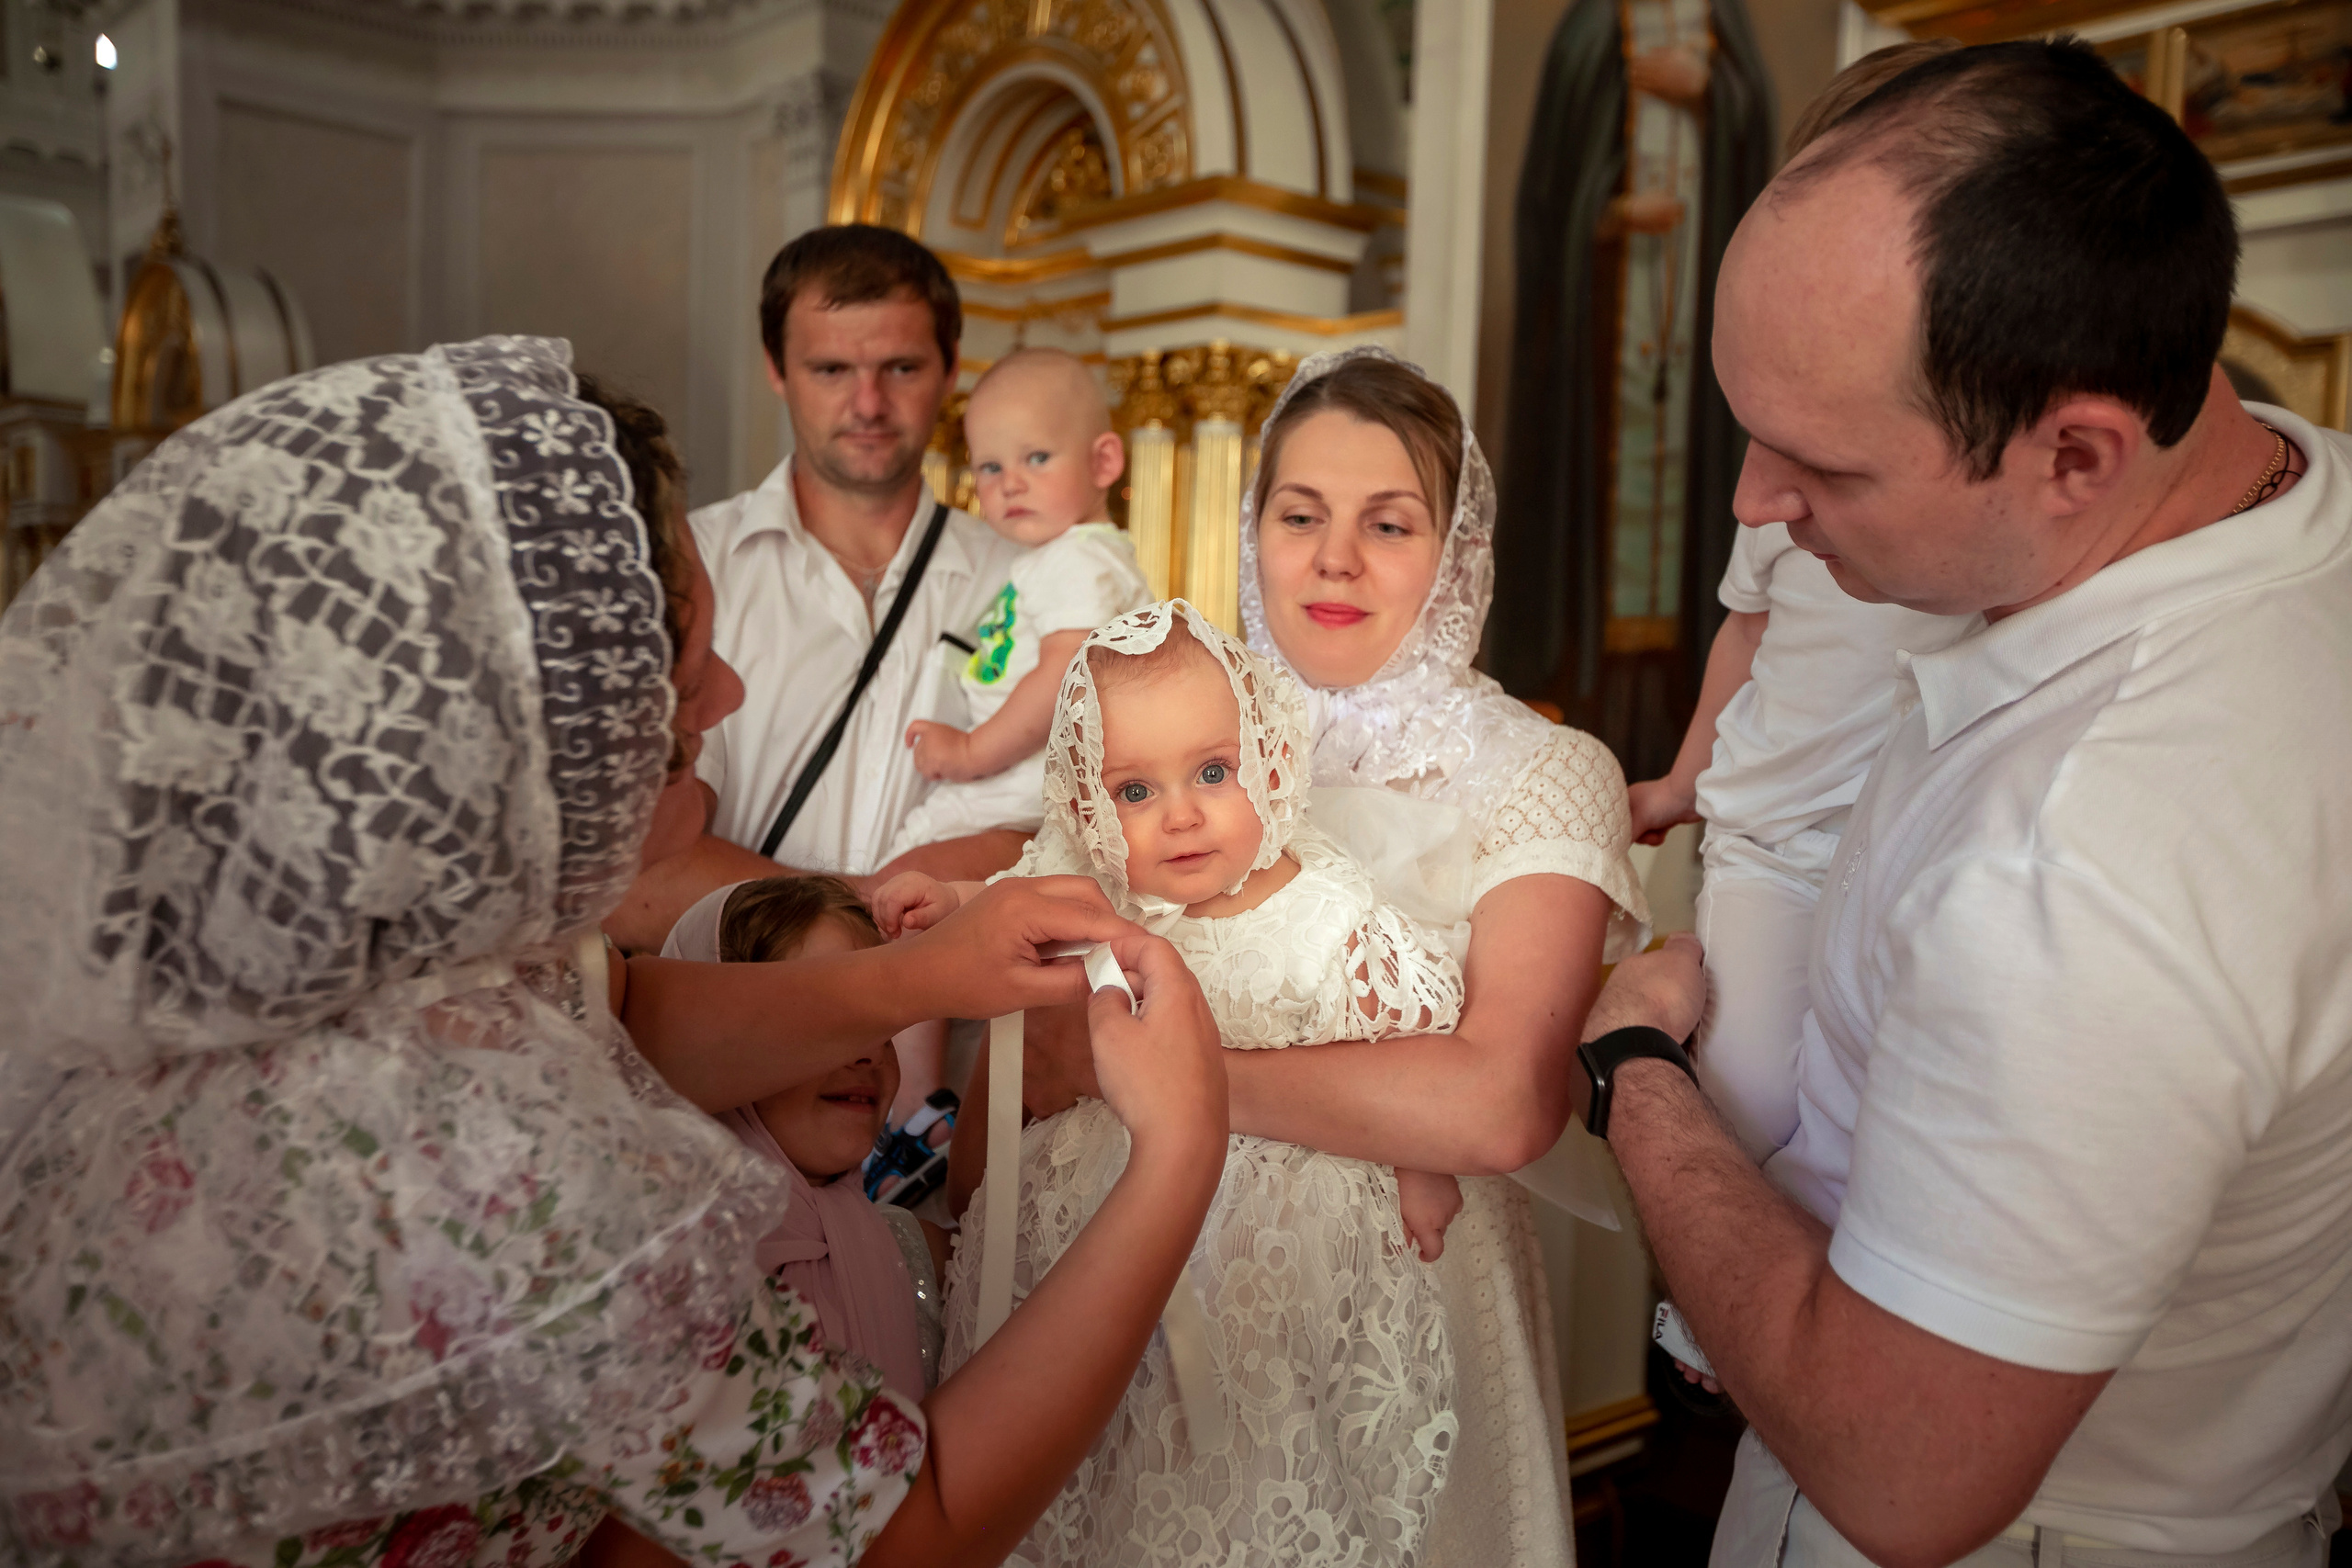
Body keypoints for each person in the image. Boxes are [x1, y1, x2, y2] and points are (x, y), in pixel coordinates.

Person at [0, 336, 1233, 1568]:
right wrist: (1177, 1154)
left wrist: (924, 974)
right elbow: (908, 1527)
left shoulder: (281, 931)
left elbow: (613, 1012)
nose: (731, 691)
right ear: (521, 728)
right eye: (680, 661)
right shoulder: (517, 1184)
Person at [1578, 39, 2352, 1568]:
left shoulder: (2083, 871)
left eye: (1826, 468)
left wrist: (1631, 1071)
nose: (1749, 509)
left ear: (2077, 453)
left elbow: (1905, 1468)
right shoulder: (2300, 492)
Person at [1032, 349, 1653, 1568]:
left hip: (1398, 1309)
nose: (1334, 558)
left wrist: (1174, 1079)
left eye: (1390, 523)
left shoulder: (1541, 769)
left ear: (1456, 549)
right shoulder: (1167, 730)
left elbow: (1499, 1095)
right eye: (1301, 514)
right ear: (1253, 524)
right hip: (1146, 1286)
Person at [876, 600, 1467, 1567]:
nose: (1181, 815)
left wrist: (1417, 1163)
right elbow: (1008, 909)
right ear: (1084, 804)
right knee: (1100, 1445)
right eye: (1133, 791)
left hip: (1264, 1255)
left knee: (1248, 1441)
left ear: (1268, 760)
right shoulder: (1086, 892)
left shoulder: (1321, 906)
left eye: (1210, 773)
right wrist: (945, 902)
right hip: (1092, 1231)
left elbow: (1400, 1035)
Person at [1624, 39, 1973, 1162]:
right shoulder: (1784, 471)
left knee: (1878, 1121)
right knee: (1753, 1107)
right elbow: (1750, 628)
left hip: (1904, 841)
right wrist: (1686, 776)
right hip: (1771, 834)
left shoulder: (1966, 493)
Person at [609, 225, 1028, 954]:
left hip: (955, 1050)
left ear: (952, 366)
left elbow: (1062, 830)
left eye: (900, 368)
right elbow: (635, 866)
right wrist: (862, 920)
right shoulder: (690, 563)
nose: (867, 405)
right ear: (777, 368)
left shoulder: (1027, 575)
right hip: (731, 1034)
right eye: (831, 369)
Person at [660, 874, 947, 1400]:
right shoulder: (668, 1275)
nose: (865, 1053)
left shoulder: (917, 1255)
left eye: (877, 1022)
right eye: (820, 1020)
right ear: (709, 1043)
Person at [888, 347, 1151, 863]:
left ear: (1103, 462)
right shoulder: (1077, 554)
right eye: (990, 466)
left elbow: (1062, 675)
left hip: (1015, 784)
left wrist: (970, 752)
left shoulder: (1074, 559)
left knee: (897, 879)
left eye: (1037, 458)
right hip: (1018, 780)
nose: (1010, 483)